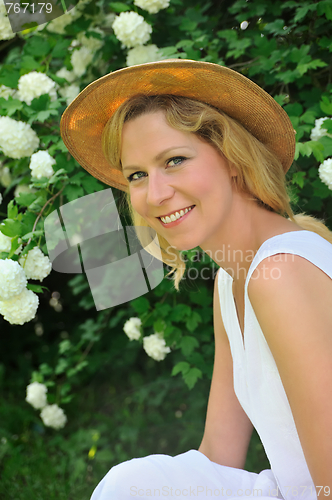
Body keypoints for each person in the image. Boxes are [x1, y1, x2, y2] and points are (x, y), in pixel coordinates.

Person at [60, 60, 332, 499]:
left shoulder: (281, 274)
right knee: (134, 487)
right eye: (137, 176)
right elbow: (216, 460)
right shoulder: (232, 281)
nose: (156, 193)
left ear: (232, 158)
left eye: (175, 160)